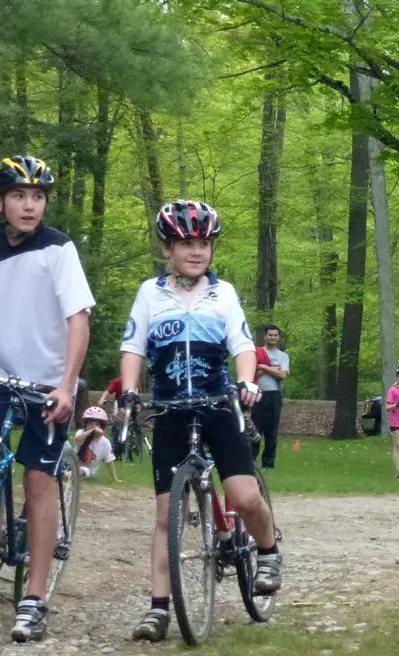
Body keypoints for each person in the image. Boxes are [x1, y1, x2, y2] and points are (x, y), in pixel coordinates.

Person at [121, 200, 282, 642]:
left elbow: (243, 345)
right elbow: (133, 348)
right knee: (165, 515)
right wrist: (132, 392)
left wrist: (247, 381)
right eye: (186, 243)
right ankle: (158, 608)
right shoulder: (150, 293)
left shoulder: (223, 293)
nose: (197, 251)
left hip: (217, 404)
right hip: (171, 409)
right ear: (168, 248)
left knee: (244, 495)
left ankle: (268, 552)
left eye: (204, 243)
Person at [0, 155, 94, 641]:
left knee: (38, 480)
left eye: (37, 197)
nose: (29, 205)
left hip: (49, 380)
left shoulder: (59, 249)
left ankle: (34, 598)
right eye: (18, 196)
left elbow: (79, 319)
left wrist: (66, 383)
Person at [251, 324, 288, 469]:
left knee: (271, 430)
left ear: (279, 338)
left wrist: (263, 367)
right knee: (255, 429)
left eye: (275, 335)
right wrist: (272, 369)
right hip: (256, 394)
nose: (272, 337)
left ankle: (268, 464)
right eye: (270, 335)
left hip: (274, 395)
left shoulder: (283, 356)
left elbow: (282, 374)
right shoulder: (255, 353)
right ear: (265, 336)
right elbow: (251, 373)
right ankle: (252, 462)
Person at [72, 406, 121, 482]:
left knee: (80, 471)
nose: (93, 426)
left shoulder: (105, 442)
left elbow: (109, 461)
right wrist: (90, 432)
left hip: (88, 470)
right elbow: (77, 439)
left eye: (97, 424)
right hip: (73, 463)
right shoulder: (81, 433)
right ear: (85, 425)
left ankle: (65, 474)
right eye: (90, 424)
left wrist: (114, 478)